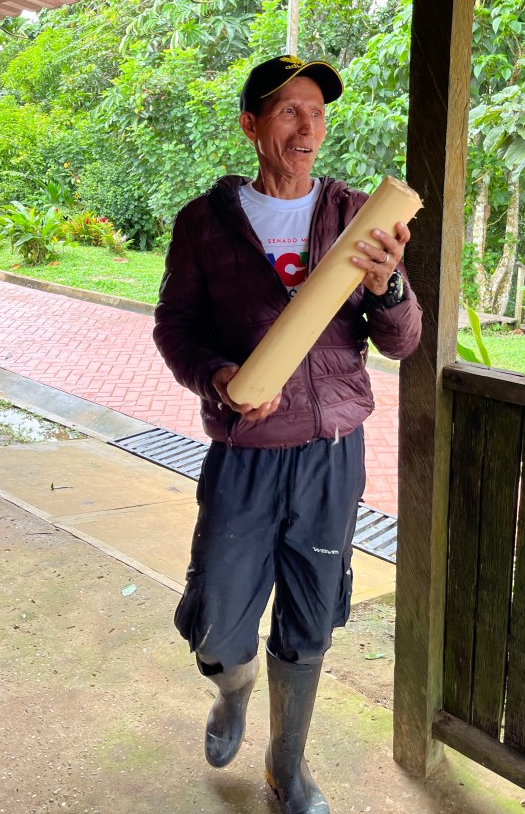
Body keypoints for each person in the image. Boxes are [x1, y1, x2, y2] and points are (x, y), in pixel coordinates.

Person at [153, 54, 421, 814]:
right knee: (219, 624)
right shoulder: (204, 223)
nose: (308, 128)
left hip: (331, 456)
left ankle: (287, 766)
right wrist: (219, 378)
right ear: (252, 126)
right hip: (245, 453)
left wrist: (388, 287)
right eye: (289, 111)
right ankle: (232, 690)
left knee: (309, 619)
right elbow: (174, 327)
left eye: (317, 112)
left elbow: (403, 340)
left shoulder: (358, 215)